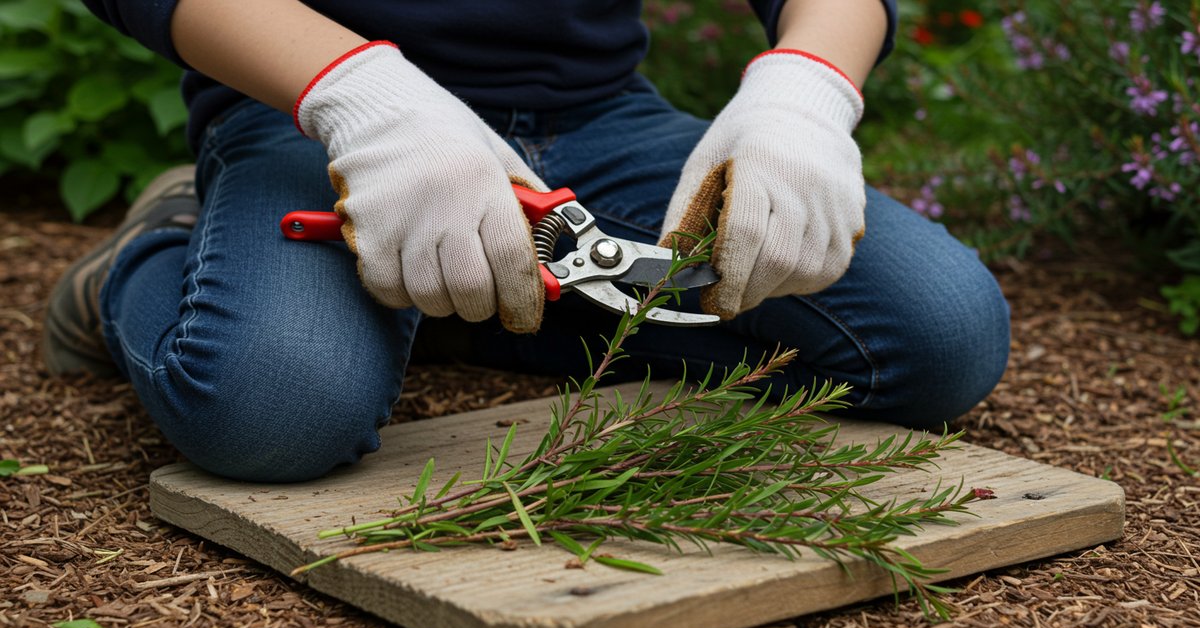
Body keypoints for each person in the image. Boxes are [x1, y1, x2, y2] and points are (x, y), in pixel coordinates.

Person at [46, 0, 1010, 482]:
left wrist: (806, 90)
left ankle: (460, 291)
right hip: (317, 116)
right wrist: (361, 99)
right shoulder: (347, 108)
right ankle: (153, 251)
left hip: (595, 117)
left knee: (941, 335)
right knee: (275, 410)